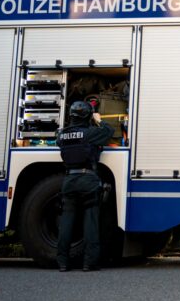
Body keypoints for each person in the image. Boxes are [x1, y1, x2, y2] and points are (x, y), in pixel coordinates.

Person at [56, 101, 114, 272]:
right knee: (91, 223)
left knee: (66, 223)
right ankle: (89, 263)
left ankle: (62, 263)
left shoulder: (62, 135)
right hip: (88, 180)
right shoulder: (90, 134)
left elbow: (61, 143)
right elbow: (109, 131)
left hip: (69, 181)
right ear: (88, 116)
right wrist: (99, 120)